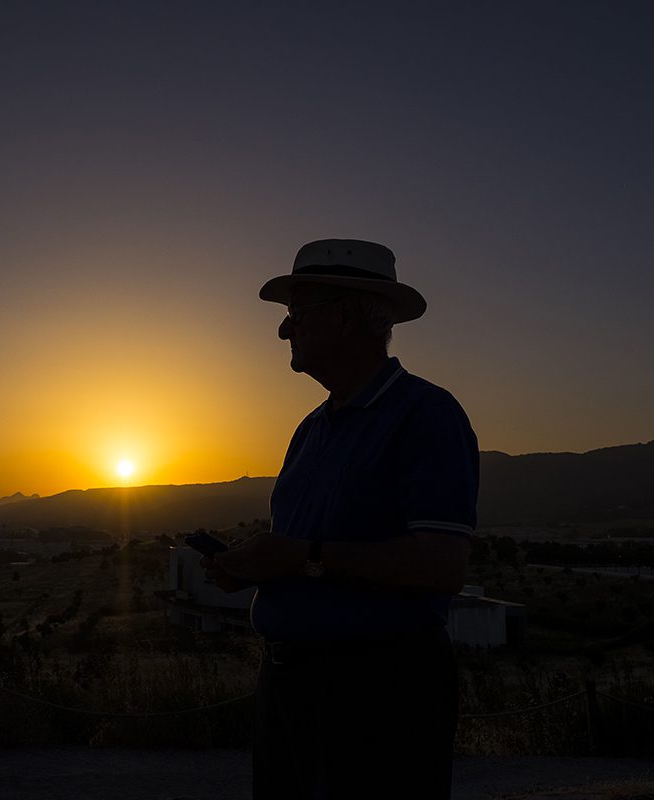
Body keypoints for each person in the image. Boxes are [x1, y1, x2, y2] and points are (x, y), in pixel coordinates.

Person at [204, 238, 478, 799]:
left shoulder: (427, 415)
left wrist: (300, 557)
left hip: (379, 691)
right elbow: (308, 551)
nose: (284, 331)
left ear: (347, 315)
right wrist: (258, 566)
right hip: (287, 683)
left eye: (296, 314)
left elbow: (444, 564)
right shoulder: (310, 429)